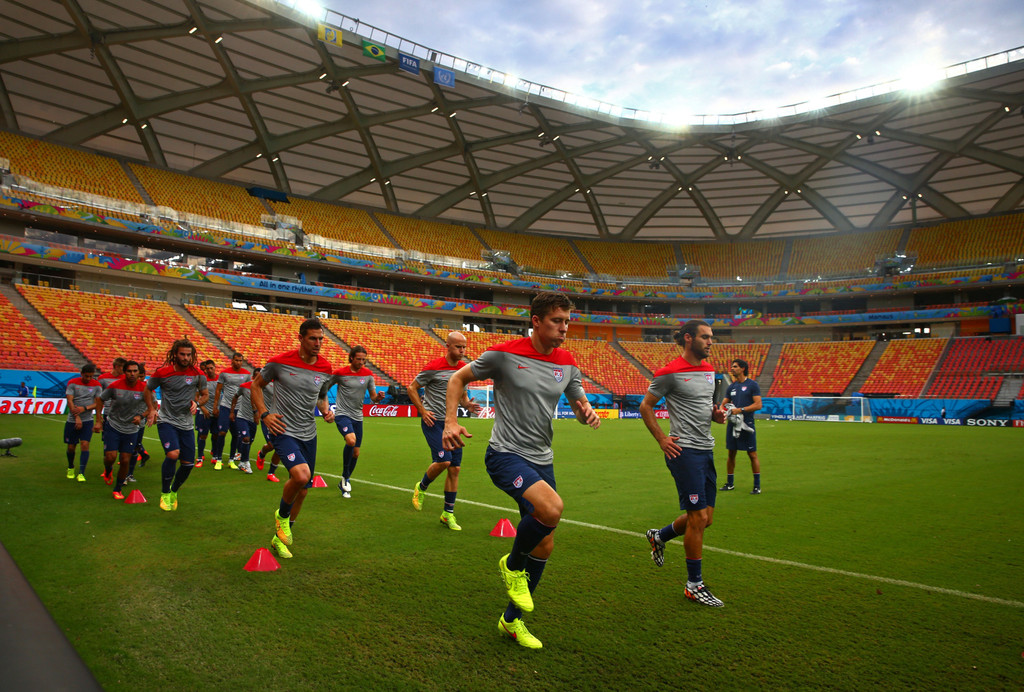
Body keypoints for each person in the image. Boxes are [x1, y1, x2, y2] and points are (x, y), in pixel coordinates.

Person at [443, 292, 600, 650]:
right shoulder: (504, 354)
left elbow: (579, 403)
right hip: (505, 455)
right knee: (551, 508)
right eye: (557, 321)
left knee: (545, 542)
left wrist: (585, 412)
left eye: (567, 322)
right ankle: (513, 565)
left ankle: (512, 620)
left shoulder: (567, 362)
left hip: (542, 458)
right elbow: (457, 380)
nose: (564, 328)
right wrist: (450, 422)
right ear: (536, 321)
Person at [639, 320, 727, 607]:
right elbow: (646, 406)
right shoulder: (670, 372)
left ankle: (660, 536)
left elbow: (703, 406)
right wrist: (662, 439)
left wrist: (715, 415)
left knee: (705, 519)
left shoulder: (709, 370)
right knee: (698, 518)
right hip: (684, 452)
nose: (711, 342)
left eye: (711, 337)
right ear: (689, 338)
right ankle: (694, 585)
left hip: (706, 450)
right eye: (705, 337)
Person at [250, 317, 334, 559]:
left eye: (321, 339)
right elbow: (256, 386)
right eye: (313, 338)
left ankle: (279, 539)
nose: (318, 343)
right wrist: (264, 414)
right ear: (300, 338)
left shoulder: (325, 368)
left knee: (303, 491)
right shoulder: (279, 362)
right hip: (282, 429)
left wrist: (326, 410)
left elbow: (320, 396)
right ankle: (282, 516)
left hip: (309, 432)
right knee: (301, 476)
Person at [409, 331, 481, 530]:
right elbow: (412, 388)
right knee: (444, 460)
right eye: (458, 347)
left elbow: (462, 395)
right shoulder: (433, 367)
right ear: (448, 346)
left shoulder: (464, 370)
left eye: (464, 347)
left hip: (452, 424)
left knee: (455, 469)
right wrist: (423, 411)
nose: (462, 350)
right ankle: (421, 486)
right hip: (433, 422)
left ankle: (447, 514)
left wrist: (467, 405)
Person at [146, 339, 209, 511]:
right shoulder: (162, 373)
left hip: (186, 424)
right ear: (175, 354)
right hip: (167, 420)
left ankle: (174, 491)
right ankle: (165, 492)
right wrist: (151, 409)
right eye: (182, 354)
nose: (186, 358)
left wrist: (197, 403)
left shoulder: (198, 374)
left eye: (189, 355)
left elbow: (205, 394)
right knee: (173, 454)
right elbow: (147, 389)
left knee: (188, 464)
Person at [324, 345, 384, 498]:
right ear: (351, 358)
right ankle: (346, 477)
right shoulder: (340, 373)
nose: (361, 362)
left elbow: (373, 397)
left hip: (358, 416)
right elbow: (324, 389)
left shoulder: (368, 375)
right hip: (342, 414)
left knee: (356, 453)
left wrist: (378, 398)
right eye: (358, 359)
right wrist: (326, 408)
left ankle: (344, 480)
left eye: (364, 359)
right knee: (351, 440)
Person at [94, 361, 156, 500]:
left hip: (131, 429)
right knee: (110, 457)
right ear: (124, 372)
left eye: (135, 371)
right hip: (113, 425)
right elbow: (100, 399)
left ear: (138, 373)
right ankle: (108, 470)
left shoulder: (145, 389)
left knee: (125, 460)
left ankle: (118, 489)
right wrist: (98, 420)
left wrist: (141, 416)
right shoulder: (115, 386)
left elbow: (151, 406)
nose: (132, 374)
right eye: (129, 371)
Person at [719, 358, 762, 494]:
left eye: (735, 366)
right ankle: (730, 483)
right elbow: (723, 404)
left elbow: (758, 405)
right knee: (731, 453)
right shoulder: (731, 387)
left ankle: (757, 486)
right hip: (733, 425)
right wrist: (722, 411)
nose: (732, 368)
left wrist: (740, 410)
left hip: (747, 424)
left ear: (743, 369)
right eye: (732, 366)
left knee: (752, 454)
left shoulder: (752, 385)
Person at [210, 352, 251, 470]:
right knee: (222, 432)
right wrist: (215, 406)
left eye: (240, 360)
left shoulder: (247, 374)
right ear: (232, 361)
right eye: (236, 360)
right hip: (225, 406)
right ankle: (218, 459)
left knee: (236, 434)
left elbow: (248, 390)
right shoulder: (224, 373)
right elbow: (218, 390)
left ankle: (231, 459)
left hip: (239, 408)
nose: (238, 362)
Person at [63, 363, 103, 482]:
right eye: (86, 376)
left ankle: (81, 472)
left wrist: (84, 409)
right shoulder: (72, 383)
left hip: (87, 420)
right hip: (72, 420)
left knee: (85, 444)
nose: (89, 379)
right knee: (71, 447)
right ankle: (71, 467)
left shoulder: (97, 385)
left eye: (91, 376)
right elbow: (70, 401)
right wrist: (77, 417)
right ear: (81, 374)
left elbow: (98, 403)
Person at [230, 369, 260, 474]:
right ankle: (246, 463)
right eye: (256, 376)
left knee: (249, 441)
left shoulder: (263, 388)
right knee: (246, 438)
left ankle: (242, 461)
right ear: (253, 377)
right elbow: (235, 397)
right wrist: (232, 411)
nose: (258, 379)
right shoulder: (244, 386)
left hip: (253, 420)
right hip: (242, 417)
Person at [255, 379, 281, 482]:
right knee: (271, 445)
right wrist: (258, 411)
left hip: (280, 418)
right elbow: (255, 389)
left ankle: (271, 473)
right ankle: (261, 454)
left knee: (280, 447)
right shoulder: (266, 379)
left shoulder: (284, 381)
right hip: (267, 418)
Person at [195, 359, 217, 466]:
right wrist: (202, 408)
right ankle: (200, 457)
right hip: (204, 412)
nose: (209, 370)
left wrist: (218, 408)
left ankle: (215, 456)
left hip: (216, 412)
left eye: (211, 368)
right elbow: (195, 396)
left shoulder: (220, 380)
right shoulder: (202, 380)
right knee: (203, 435)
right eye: (207, 369)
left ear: (215, 368)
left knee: (216, 435)